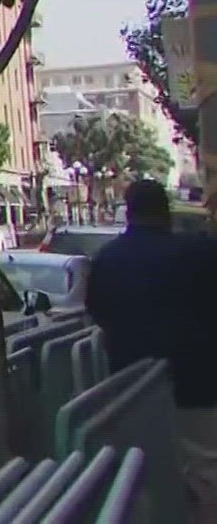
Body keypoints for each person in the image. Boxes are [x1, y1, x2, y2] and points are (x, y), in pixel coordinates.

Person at [84, 179, 217, 518]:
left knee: (141, 477)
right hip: (198, 384)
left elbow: (98, 312)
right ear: (166, 213)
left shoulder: (106, 260)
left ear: (128, 213)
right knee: (206, 470)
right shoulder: (198, 252)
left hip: (131, 388)